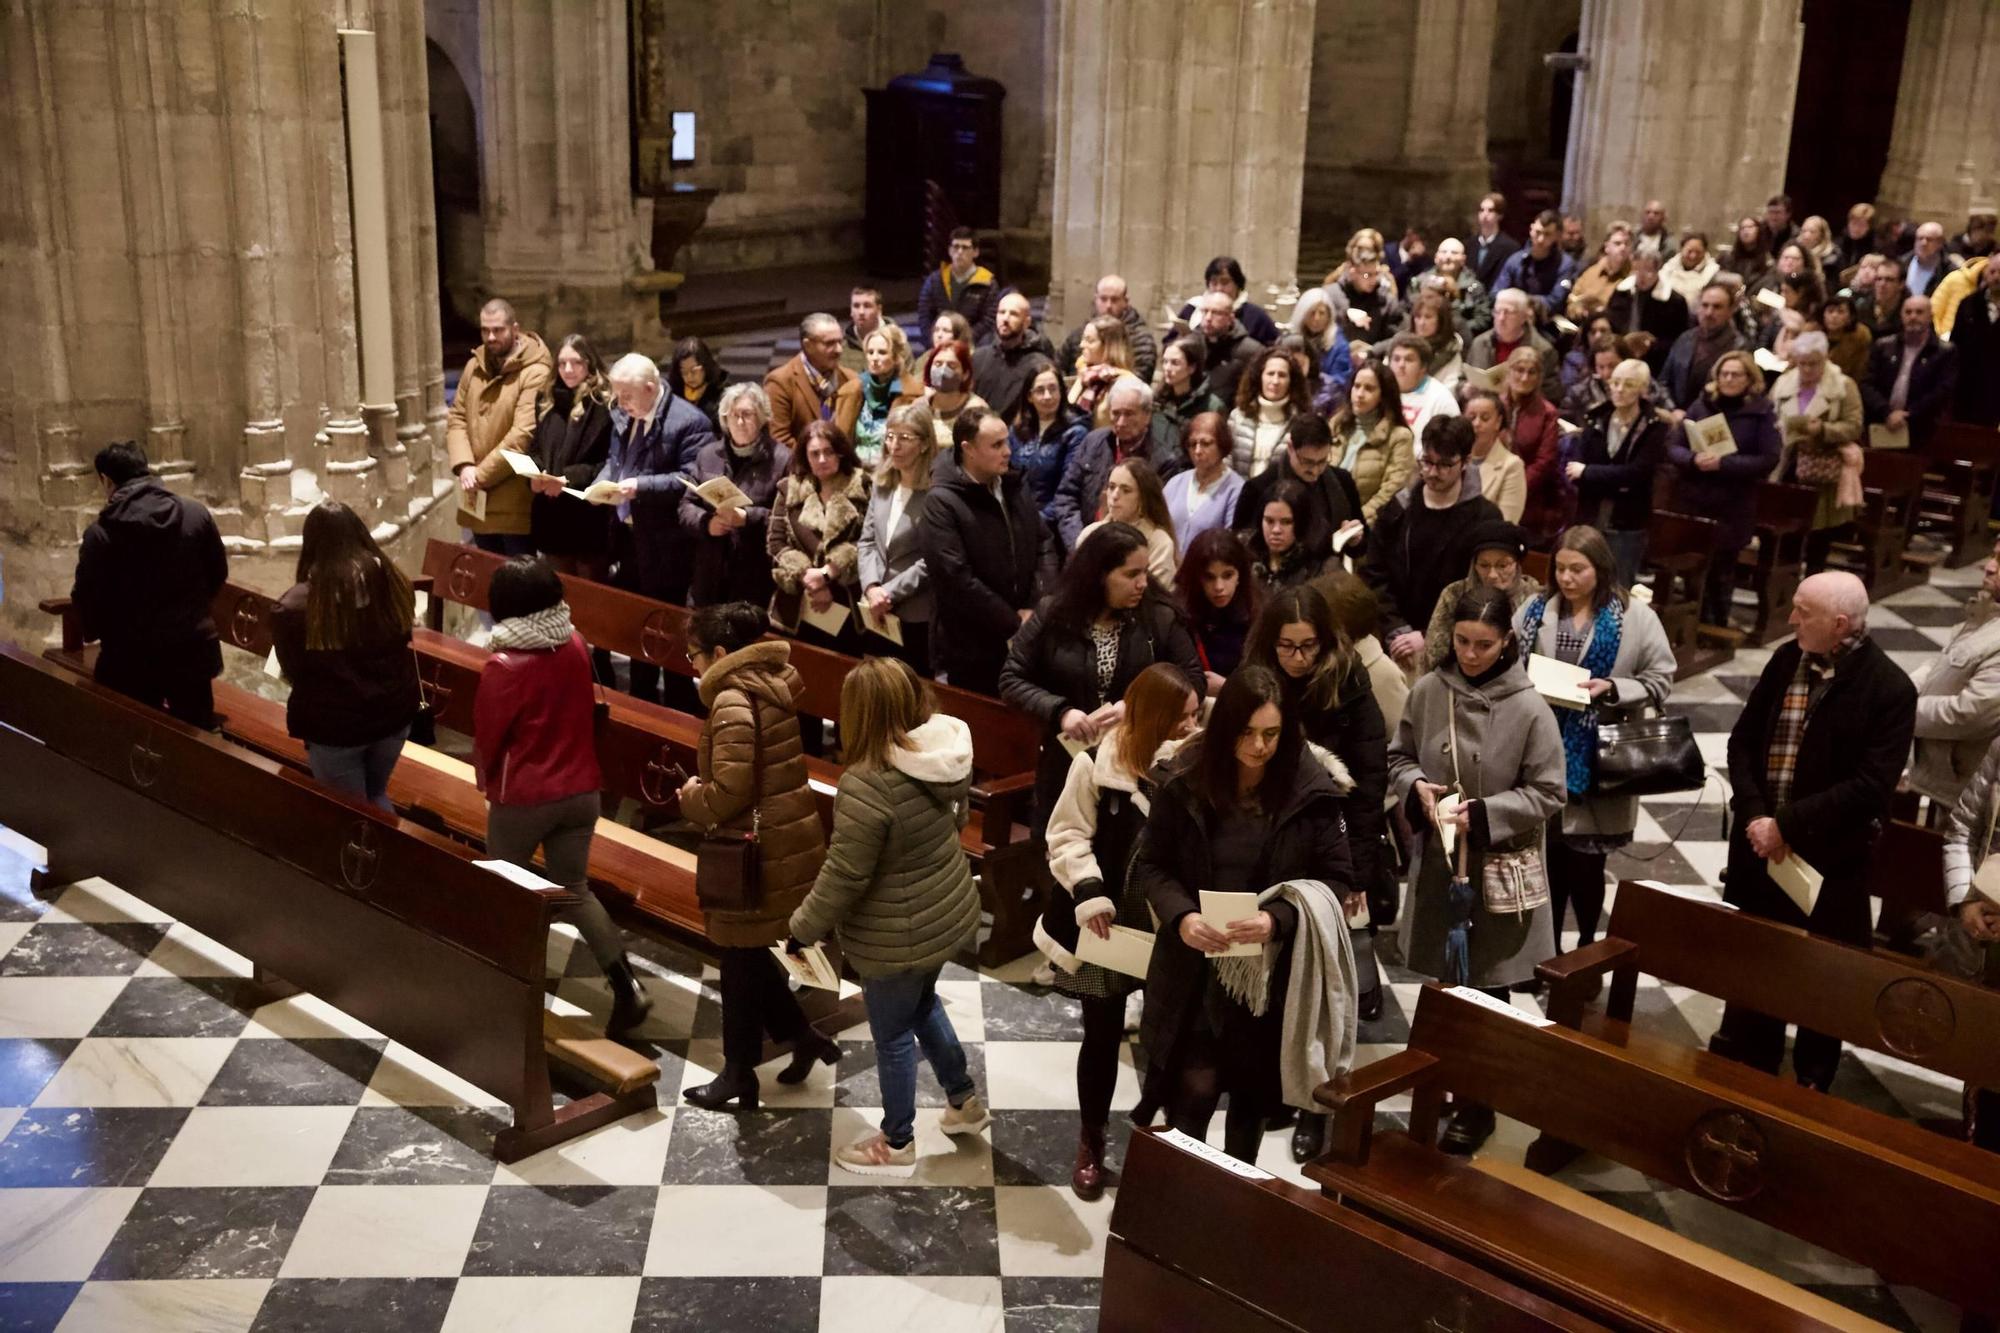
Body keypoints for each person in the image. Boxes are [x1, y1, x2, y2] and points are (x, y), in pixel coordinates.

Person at [1134, 665, 1357, 1164]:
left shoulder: (1308, 788)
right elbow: (1151, 864)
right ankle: (1186, 1198)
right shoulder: (1184, 779)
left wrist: (1278, 918)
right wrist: (1183, 918)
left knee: (1252, 1099)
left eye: (1272, 734)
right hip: (1194, 966)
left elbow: (1337, 876)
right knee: (1192, 1092)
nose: (1259, 747)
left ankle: (1236, 1200)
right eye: (1247, 732)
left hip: (1269, 972)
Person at [1712, 572, 1915, 1091]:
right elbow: (1742, 742)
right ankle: (1748, 1078)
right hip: (1761, 848)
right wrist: (1758, 815)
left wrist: (1785, 824)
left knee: (1821, 982)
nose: (1791, 618)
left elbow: (1870, 787)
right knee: (1758, 970)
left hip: (1829, 863)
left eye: (1803, 611)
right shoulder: (1787, 659)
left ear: (1840, 624)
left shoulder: (1889, 689)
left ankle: (1811, 1086)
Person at [788, 657, 990, 1176]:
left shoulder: (868, 782)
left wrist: (802, 928)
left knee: (894, 1036)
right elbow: (958, 821)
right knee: (922, 1006)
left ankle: (897, 1142)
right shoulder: (945, 750)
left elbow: (845, 875)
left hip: (895, 936)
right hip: (945, 913)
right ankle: (963, 1101)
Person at [1389, 584, 1565, 1151]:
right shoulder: (1427, 690)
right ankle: (1443, 1076)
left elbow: (1550, 791)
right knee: (1443, 984)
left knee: (1488, 987)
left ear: (1507, 642)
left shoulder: (1530, 707)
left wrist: (1486, 814)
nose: (1470, 654)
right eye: (1462, 642)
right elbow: (1399, 756)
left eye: (1484, 645)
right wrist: (1415, 785)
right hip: (1441, 863)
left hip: (1494, 864)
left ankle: (1479, 1102)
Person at [1039, 664, 1201, 1197]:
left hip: (1171, 918)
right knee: (1102, 1033)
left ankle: (1161, 1131)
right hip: (1110, 921)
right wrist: (1087, 891)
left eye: (1196, 716)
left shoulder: (1194, 764)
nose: (1191, 727)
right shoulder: (1094, 766)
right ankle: (1091, 1139)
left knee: (1171, 1034)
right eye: (1182, 718)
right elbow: (1066, 834)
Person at [473, 557, 650, 1038]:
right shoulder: (574, 642)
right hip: (580, 790)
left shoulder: (504, 663)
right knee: (574, 890)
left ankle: (509, 989)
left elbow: (489, 736)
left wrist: (485, 782)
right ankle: (628, 986)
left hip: (526, 795)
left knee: (505, 891)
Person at [1242, 586, 1388, 1159]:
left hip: (1326, 846)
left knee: (1321, 982)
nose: (1297, 658)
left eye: (1308, 647)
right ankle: (1280, 1088)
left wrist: (1356, 874)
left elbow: (1369, 783)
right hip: (1266, 843)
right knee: (1275, 977)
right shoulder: (1256, 676)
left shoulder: (1348, 684)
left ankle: (1314, 1107)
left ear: (1326, 642)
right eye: (1286, 646)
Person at [671, 598, 833, 1115]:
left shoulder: (732, 699)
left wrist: (692, 797)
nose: (691, 665)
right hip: (785, 840)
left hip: (755, 851)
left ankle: (738, 1074)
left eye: (693, 654)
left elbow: (731, 790)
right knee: (751, 953)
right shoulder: (772, 680)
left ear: (720, 652)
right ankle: (800, 1038)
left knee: (739, 959)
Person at [1515, 528, 1675, 963]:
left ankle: (1586, 949)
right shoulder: (1534, 610)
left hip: (1597, 755)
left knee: (1585, 866)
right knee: (1545, 864)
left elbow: (1660, 678)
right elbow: (1509, 663)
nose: (1566, 578)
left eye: (1577, 569)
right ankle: (1544, 952)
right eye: (1560, 568)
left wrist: (1612, 687)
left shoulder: (1634, 617)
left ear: (1600, 569)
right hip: (1541, 751)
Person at [1003, 520, 1204, 820]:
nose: (1143, 583)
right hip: (1067, 763)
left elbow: (1194, 680)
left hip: (1138, 764)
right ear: (1099, 575)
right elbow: (1011, 678)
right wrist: (1061, 712)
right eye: (1131, 574)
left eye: (1145, 572)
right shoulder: (1053, 613)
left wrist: (1139, 706)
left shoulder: (1159, 617)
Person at [270, 501, 419, 812]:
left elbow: (292, 669)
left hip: (336, 727)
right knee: (376, 795)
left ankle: (374, 858)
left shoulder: (296, 607)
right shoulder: (392, 581)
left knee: (350, 813)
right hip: (393, 713)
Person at [70, 440, 228, 728]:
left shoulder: (101, 535)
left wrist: (98, 630)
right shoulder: (195, 514)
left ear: (107, 480)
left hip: (128, 660)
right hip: (192, 655)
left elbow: (86, 597)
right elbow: (218, 573)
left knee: (129, 741)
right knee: (197, 744)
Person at [600, 353, 713, 705]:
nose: (621, 403)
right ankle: (641, 698)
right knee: (637, 624)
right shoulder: (627, 411)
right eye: (617, 395)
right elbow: (615, 460)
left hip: (669, 547)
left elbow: (689, 479)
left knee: (668, 628)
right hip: (630, 539)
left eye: (627, 396)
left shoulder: (690, 422)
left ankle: (678, 705)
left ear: (651, 389)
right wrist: (603, 483)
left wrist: (640, 486)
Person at [922, 407, 1057, 694]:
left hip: (1024, 632)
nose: (1008, 451)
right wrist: (1013, 621)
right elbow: (956, 579)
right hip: (972, 646)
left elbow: (1044, 542)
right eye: (996, 445)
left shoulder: (1013, 484)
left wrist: (1036, 605)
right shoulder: (942, 501)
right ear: (968, 449)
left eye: (1007, 441)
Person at [1364, 417, 1503, 669]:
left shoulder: (1485, 518)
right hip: (1395, 640)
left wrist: (1431, 635)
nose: (1431, 472)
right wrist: (1396, 628)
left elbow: (1483, 592)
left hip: (1455, 650)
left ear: (1466, 462)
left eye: (1444, 465)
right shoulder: (1399, 508)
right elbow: (1375, 572)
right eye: (1426, 462)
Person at [1672, 350, 1782, 623]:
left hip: (1733, 504)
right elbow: (1674, 446)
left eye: (1736, 374)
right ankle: (1691, 621)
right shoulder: (1701, 406)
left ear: (1749, 378)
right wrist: (1693, 458)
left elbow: (1769, 458)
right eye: (1724, 373)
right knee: (1693, 565)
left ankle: (1717, 622)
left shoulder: (1760, 412)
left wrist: (1725, 464)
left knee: (1722, 569)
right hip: (1696, 498)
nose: (1729, 379)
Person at [447, 298, 554, 554]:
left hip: (512, 496)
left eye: (498, 330)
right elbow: (457, 417)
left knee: (518, 580)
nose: (491, 337)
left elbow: (522, 434)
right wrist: (464, 465)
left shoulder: (535, 371)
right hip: (476, 495)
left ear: (514, 329)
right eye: (485, 330)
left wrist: (479, 475)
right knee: (486, 578)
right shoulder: (474, 366)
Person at [1907, 540, 2000, 812]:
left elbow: (1971, 714)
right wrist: (1901, 689)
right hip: (1943, 777)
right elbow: (1945, 662)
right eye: (1992, 555)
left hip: (1967, 788)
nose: (1989, 566)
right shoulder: (1987, 613)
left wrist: (1901, 711)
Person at [681, 382, 788, 611]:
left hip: (753, 577)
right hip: (709, 575)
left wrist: (747, 518)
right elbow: (686, 506)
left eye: (747, 415)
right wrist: (706, 523)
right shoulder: (708, 455)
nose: (739, 422)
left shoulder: (782, 460)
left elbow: (789, 521)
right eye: (733, 415)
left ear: (761, 418)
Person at [766, 420, 870, 653]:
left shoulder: (862, 486)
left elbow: (868, 541)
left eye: (828, 452)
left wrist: (827, 573)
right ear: (805, 456)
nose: (822, 459)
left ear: (841, 453)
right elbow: (775, 542)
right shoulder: (788, 489)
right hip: (798, 602)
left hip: (847, 601)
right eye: (814, 453)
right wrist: (810, 578)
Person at [1568, 358, 1667, 589]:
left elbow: (1637, 474)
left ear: (1643, 388)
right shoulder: (1596, 419)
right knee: (1581, 584)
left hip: (1627, 521)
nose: (1620, 390)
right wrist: (1609, 477)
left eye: (1629, 384)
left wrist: (1591, 473)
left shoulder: (1654, 426)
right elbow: (1575, 470)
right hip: (1590, 514)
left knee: (1617, 587)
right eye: (1615, 382)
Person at [1051, 379, 1184, 552]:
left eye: (1129, 414)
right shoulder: (1092, 442)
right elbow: (1066, 497)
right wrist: (1080, 543)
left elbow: (1155, 517)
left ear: (1147, 415)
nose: (1121, 422)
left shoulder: (1163, 462)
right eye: (1115, 413)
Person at [527, 333, 615, 592]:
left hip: (586, 517)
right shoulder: (546, 399)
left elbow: (608, 461)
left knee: (590, 596)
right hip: (552, 517)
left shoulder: (603, 404)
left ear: (589, 364)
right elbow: (536, 448)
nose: (567, 369)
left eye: (575, 362)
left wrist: (566, 479)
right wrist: (535, 475)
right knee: (558, 594)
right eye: (562, 363)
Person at [1767, 333, 1864, 568]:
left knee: (1818, 531)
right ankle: (1784, 578)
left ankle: (1814, 575)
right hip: (1789, 462)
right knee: (1787, 526)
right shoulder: (1785, 383)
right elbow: (1769, 414)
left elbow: (1854, 426)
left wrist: (1823, 429)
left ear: (1825, 359)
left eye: (1814, 363)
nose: (1807, 369)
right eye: (1802, 363)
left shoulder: (1842, 386)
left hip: (1822, 465)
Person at [857, 403, 939, 675]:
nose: (894, 445)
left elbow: (933, 558)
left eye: (904, 438)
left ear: (925, 444)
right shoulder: (882, 485)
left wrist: (890, 592)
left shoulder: (936, 494)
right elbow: (867, 542)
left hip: (914, 612)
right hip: (876, 608)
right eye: (890, 436)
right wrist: (871, 587)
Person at [1232, 413, 1366, 560]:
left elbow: (1362, 547)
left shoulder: (1342, 481)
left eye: (1322, 461)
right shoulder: (1258, 488)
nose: (1315, 471)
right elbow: (1240, 548)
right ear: (1290, 448)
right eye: (1307, 462)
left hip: (1328, 576)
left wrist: (1355, 540)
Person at [1423, 520, 1541, 669]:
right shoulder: (1454, 594)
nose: (1492, 575)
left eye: (1502, 566)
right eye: (1484, 566)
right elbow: (1434, 655)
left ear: (1517, 564)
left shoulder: (1534, 599)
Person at [1863, 293, 1960, 449]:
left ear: (1930, 316)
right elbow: (1867, 383)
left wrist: (1909, 414)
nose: (1913, 317)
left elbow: (1942, 391)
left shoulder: (1944, 352)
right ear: (1901, 315)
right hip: (1880, 422)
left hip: (1921, 428)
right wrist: (1886, 412)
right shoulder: (1883, 345)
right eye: (1908, 312)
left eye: (1919, 312)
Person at [1178, 528, 1262, 694]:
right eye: (1209, 577)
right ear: (1196, 578)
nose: (1219, 587)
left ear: (1240, 575)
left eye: (1227, 575)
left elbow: (1268, 684)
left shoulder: (1260, 614)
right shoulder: (1178, 616)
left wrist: (1228, 687)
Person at [1331, 362, 1414, 523]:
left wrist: (1358, 521)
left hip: (1367, 527)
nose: (1360, 394)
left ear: (1383, 395)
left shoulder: (1399, 437)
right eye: (1356, 386)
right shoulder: (1337, 424)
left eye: (1369, 388)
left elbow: (1391, 491)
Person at [1078, 458, 1180, 588]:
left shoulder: (1159, 542)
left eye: (1126, 490)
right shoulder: (1089, 534)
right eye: (1111, 487)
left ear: (1143, 498)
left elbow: (1155, 596)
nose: (1114, 496)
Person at [765, 313, 861, 449]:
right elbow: (779, 441)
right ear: (808, 345)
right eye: (829, 343)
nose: (839, 350)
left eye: (840, 342)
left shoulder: (852, 380)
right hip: (801, 468)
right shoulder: (780, 382)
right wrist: (818, 461)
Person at [1008, 356, 1083, 522]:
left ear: (1062, 392)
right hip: (1017, 518)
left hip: (1052, 523)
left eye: (1053, 389)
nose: (1047, 396)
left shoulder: (1075, 433)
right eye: (1040, 390)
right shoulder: (1016, 431)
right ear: (1029, 396)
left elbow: (1067, 489)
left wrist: (1037, 520)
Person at [1660, 282, 1750, 411]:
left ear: (1730, 311)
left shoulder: (1740, 347)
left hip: (1716, 418)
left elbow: (1739, 395)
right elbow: (1663, 382)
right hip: (1677, 417)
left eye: (1717, 307)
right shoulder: (1685, 339)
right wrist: (1673, 410)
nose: (1709, 312)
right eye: (1705, 305)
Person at [1165, 411, 1245, 555]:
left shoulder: (1237, 490)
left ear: (1222, 444)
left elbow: (1231, 546)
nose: (1198, 451)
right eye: (1192, 444)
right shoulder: (1174, 483)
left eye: (1206, 443)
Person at [973, 291, 1058, 423]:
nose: (1005, 319)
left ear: (1026, 322)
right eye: (1001, 312)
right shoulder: (978, 358)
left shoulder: (1038, 366)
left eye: (1013, 314)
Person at [1227, 347, 1313, 478]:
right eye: (1270, 374)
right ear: (1259, 377)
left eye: (1282, 375)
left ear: (1291, 381)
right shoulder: (1238, 416)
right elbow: (1226, 461)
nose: (1275, 381)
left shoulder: (1302, 423)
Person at [1465, 289, 1562, 403]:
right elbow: (1463, 378)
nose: (1501, 318)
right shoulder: (1479, 343)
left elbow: (1551, 394)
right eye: (1497, 311)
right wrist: (1464, 389)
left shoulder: (1543, 350)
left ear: (1524, 316)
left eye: (1508, 312)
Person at [1059, 274, 1158, 383]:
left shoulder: (1141, 339)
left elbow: (1139, 381)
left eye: (1114, 300)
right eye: (1103, 299)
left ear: (1125, 301)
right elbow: (1059, 367)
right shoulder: (1080, 334)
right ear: (1096, 299)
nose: (1108, 305)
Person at [1605, 246, 1689, 375]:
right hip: (1620, 355)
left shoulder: (1674, 301)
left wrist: (1652, 345)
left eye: (1648, 270)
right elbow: (1610, 322)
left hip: (1655, 362)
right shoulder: (1621, 292)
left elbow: (1680, 340)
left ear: (1658, 271)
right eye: (1636, 270)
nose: (1641, 276)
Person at [851, 322, 920, 465]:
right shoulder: (852, 390)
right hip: (856, 471)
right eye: (870, 352)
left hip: (892, 471)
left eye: (882, 352)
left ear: (895, 357)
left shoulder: (912, 394)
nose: (874, 358)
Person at [916, 226, 1000, 342]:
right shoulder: (934, 280)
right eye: (956, 247)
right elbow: (924, 317)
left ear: (975, 252)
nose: (959, 252)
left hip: (973, 348)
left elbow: (988, 321)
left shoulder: (988, 284)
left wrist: (962, 341)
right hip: (938, 345)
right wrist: (935, 340)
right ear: (949, 250)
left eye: (965, 248)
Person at [1246, 480, 1331, 592]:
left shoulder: (1321, 568)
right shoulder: (1244, 555)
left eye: (1286, 522)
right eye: (1269, 521)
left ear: (1302, 523)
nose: (1276, 530)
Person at [1177, 254, 1281, 345]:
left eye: (1225, 282)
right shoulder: (1192, 308)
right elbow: (1170, 342)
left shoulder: (1257, 317)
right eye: (1214, 283)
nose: (1219, 288)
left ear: (1238, 284)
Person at [1153, 333, 1228, 458]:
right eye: (1165, 362)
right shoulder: (1157, 401)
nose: (1167, 368)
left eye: (1175, 363)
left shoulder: (1212, 406)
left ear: (1191, 368)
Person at [1458, 386, 1524, 524]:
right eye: (1471, 417)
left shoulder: (1511, 466)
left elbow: (1506, 523)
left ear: (1498, 422)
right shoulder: (1452, 459)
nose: (1476, 424)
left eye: (1485, 418)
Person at [1190, 289, 1266, 405]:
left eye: (1216, 313)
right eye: (1205, 311)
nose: (1208, 318)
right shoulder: (1192, 343)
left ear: (1231, 317)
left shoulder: (1251, 351)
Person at [1070, 315, 1146, 430]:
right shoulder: (1085, 374)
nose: (1082, 345)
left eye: (1089, 341)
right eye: (1083, 339)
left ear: (1109, 346)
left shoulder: (1127, 384)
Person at [1493, 209, 1579, 310]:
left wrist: (1521, 301)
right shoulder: (1515, 260)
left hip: (1545, 321)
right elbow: (1496, 293)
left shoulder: (1565, 264)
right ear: (1531, 230)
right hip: (1512, 315)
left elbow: (1555, 301)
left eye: (1547, 234)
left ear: (1557, 236)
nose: (1540, 239)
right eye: (1538, 232)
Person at [1950, 258, 2000, 426]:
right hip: (1969, 385)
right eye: (1992, 272)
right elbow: (1955, 345)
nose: (1996, 277)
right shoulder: (1968, 304)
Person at [1383, 333, 1461, 440]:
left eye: (1409, 359)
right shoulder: (1380, 391)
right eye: (1396, 359)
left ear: (1423, 366)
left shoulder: (1442, 400)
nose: (1401, 365)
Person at [1429, 237, 1495, 339]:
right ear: (1436, 257)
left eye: (1454, 253)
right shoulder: (1420, 283)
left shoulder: (1474, 288)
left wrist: (1455, 328)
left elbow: (1483, 319)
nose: (1448, 256)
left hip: (1462, 340)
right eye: (1444, 252)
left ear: (1463, 259)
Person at [1567, 220, 1634, 318]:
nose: (1623, 248)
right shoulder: (1591, 272)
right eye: (1617, 243)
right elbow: (1571, 302)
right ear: (1607, 247)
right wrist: (1579, 311)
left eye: (1627, 243)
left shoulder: (1632, 278)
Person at [666, 336, 730, 432]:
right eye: (684, 372)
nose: (689, 377)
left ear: (705, 366)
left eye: (694, 371)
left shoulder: (723, 390)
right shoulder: (673, 392)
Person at [1468, 192, 1520, 289]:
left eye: (1490, 210)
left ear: (1500, 215)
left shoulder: (1510, 247)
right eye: (1482, 210)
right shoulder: (1470, 243)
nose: (1485, 214)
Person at [1822, 294, 1874, 383]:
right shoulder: (1813, 335)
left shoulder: (1859, 340)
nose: (1834, 316)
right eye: (1830, 311)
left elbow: (1859, 373)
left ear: (1850, 317)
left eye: (1840, 312)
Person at [1660, 230, 1720, 306]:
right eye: (1689, 251)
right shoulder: (1667, 269)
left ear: (1705, 252)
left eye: (1698, 252)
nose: (1693, 256)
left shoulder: (1714, 273)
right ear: (1681, 249)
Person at [839, 285, 887, 376]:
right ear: (851, 311)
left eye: (867, 306)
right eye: (856, 306)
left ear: (879, 310)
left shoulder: (897, 344)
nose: (861, 312)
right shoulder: (842, 347)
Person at [1904, 221, 1959, 298]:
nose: (1923, 243)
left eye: (1929, 239)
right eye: (1920, 238)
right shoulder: (1902, 264)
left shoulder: (1951, 271)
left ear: (1940, 243)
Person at [1722, 215, 1774, 293]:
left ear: (1758, 230)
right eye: (1742, 228)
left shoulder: (1767, 261)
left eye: (1750, 227)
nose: (1746, 231)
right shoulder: (1727, 258)